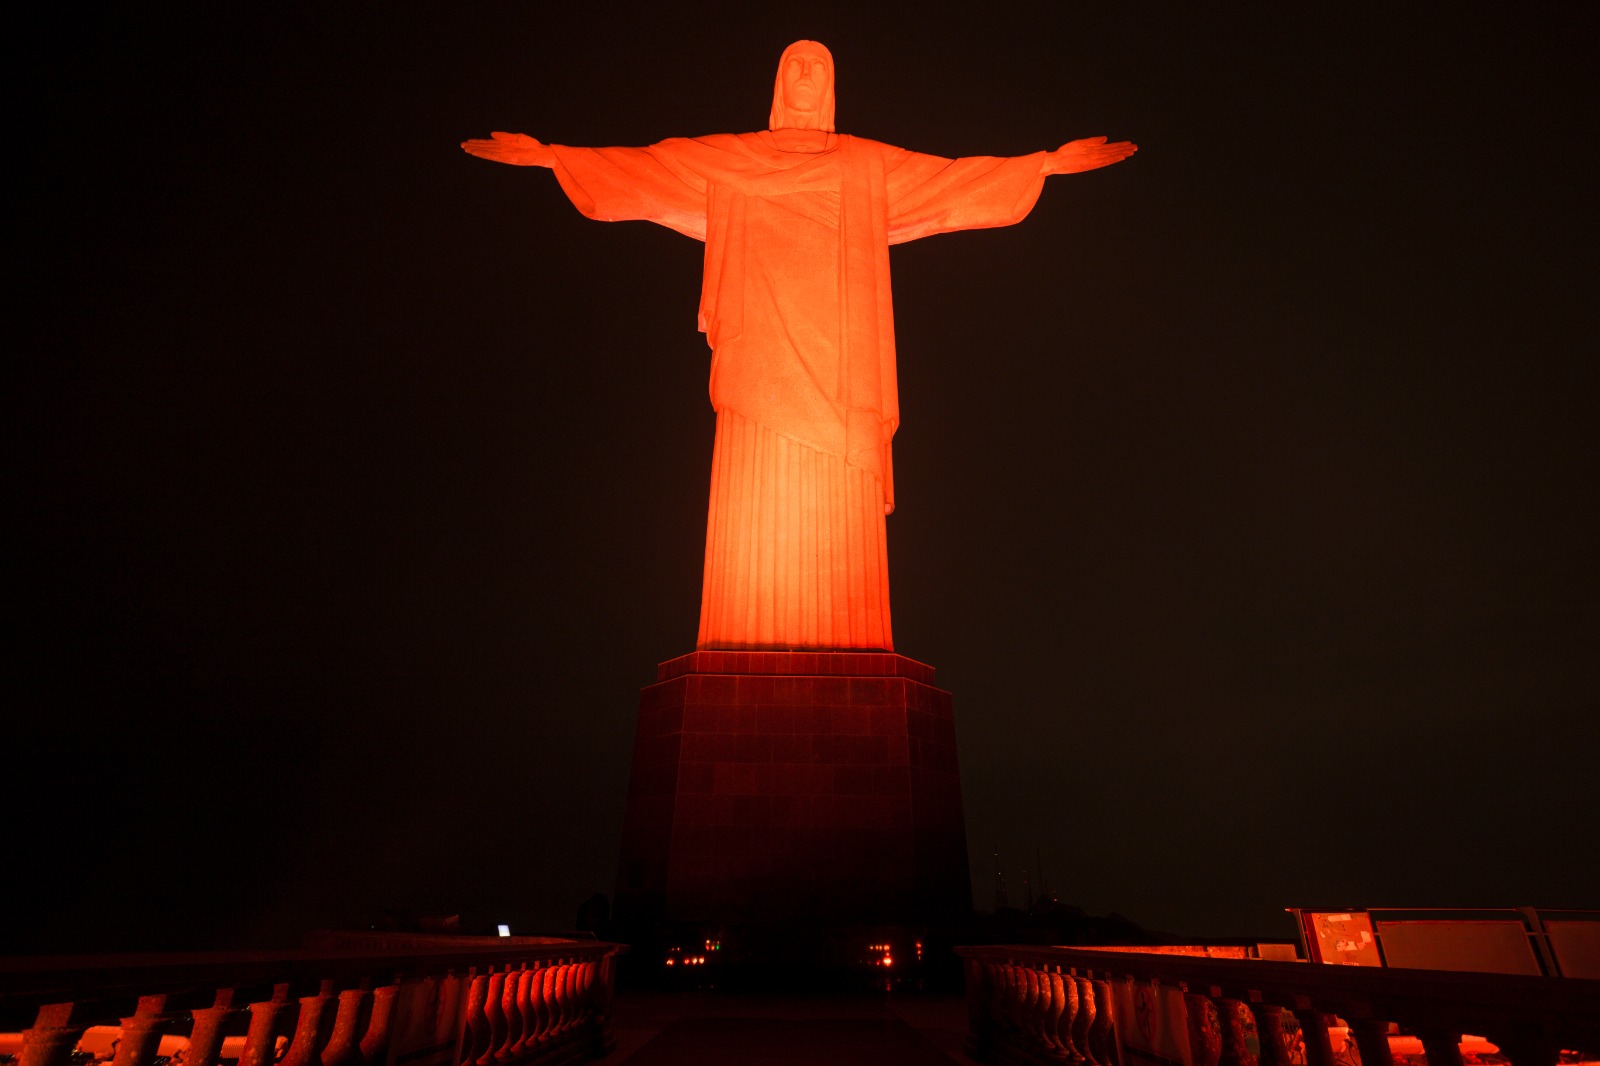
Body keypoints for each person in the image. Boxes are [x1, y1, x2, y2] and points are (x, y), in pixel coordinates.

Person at [463, 40, 1135, 652]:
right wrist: (553, 155)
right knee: (751, 498)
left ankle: (848, 636)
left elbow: (951, 182)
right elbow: (644, 170)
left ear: (833, 84)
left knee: (839, 503)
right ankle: (740, 634)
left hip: (842, 368)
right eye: (796, 65)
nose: (808, 75)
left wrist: (1043, 165)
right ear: (781, 82)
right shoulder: (730, 158)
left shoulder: (867, 165)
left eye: (820, 65)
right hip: (759, 355)